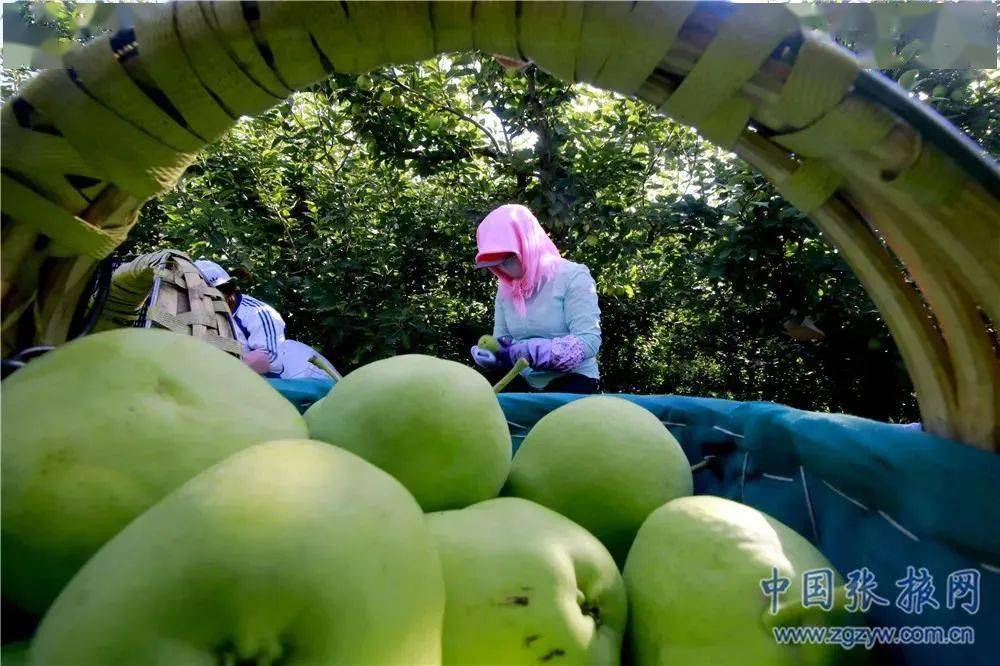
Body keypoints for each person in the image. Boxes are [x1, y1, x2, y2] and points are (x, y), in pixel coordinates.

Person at [470, 204, 602, 394]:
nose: (503, 270)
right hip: (520, 381)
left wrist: (538, 352)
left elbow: (589, 341)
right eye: (494, 264)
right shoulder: (505, 288)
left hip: (573, 381)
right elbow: (502, 340)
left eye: (507, 260)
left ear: (525, 244)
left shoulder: (573, 276)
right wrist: (493, 355)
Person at [195, 260, 286, 376]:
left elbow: (272, 360)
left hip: (261, 383)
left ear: (229, 292)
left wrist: (227, 373)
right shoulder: (201, 312)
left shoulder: (257, 313)